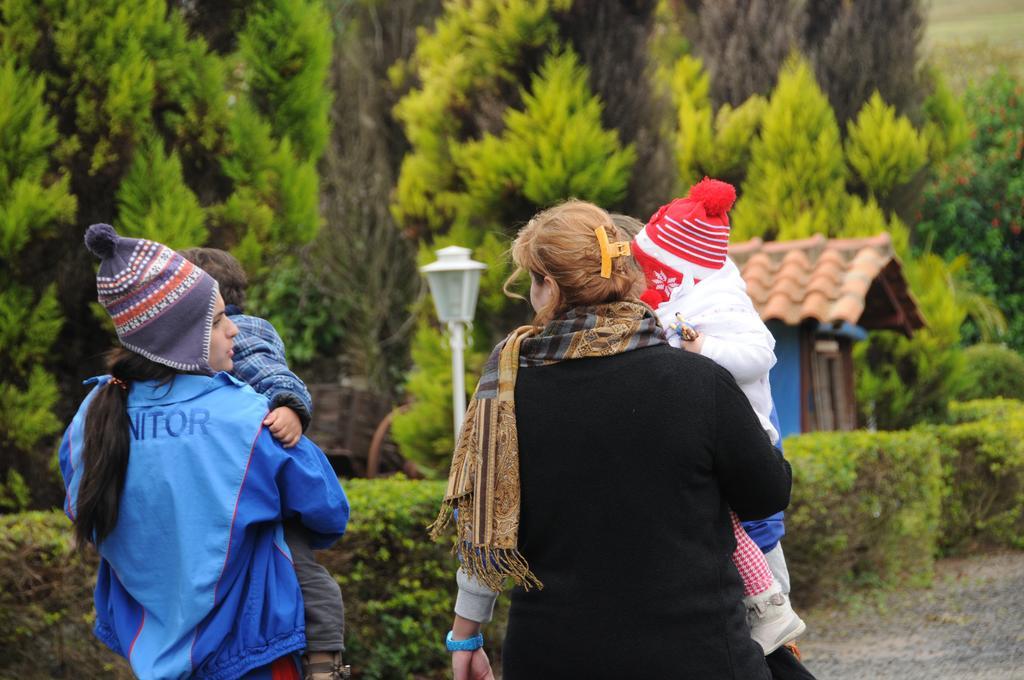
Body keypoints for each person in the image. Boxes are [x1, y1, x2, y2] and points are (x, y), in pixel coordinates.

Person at [430, 201, 814, 679]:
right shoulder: (699, 380)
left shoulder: (507, 391)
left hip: (553, 656)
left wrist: (466, 633)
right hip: (696, 654)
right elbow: (766, 495)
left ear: (549, 287)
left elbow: (487, 520)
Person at [60, 224, 349, 680]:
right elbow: (330, 511)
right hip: (251, 654)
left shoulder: (91, 416)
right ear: (178, 336)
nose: (235, 329)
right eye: (217, 321)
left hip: (147, 651)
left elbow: (87, 514)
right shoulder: (242, 415)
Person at [631, 177, 805, 653]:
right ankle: (764, 616)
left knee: (759, 532)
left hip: (752, 438)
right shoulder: (687, 297)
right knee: (730, 531)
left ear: (681, 269)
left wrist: (701, 345)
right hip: (717, 437)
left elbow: (761, 354)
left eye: (655, 269)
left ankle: (776, 614)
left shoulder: (723, 307)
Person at [180, 248, 348, 680]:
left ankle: (326, 659)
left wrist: (289, 405)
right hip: (244, 484)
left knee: (301, 569)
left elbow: (271, 373)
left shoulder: (245, 332)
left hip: (268, 468)